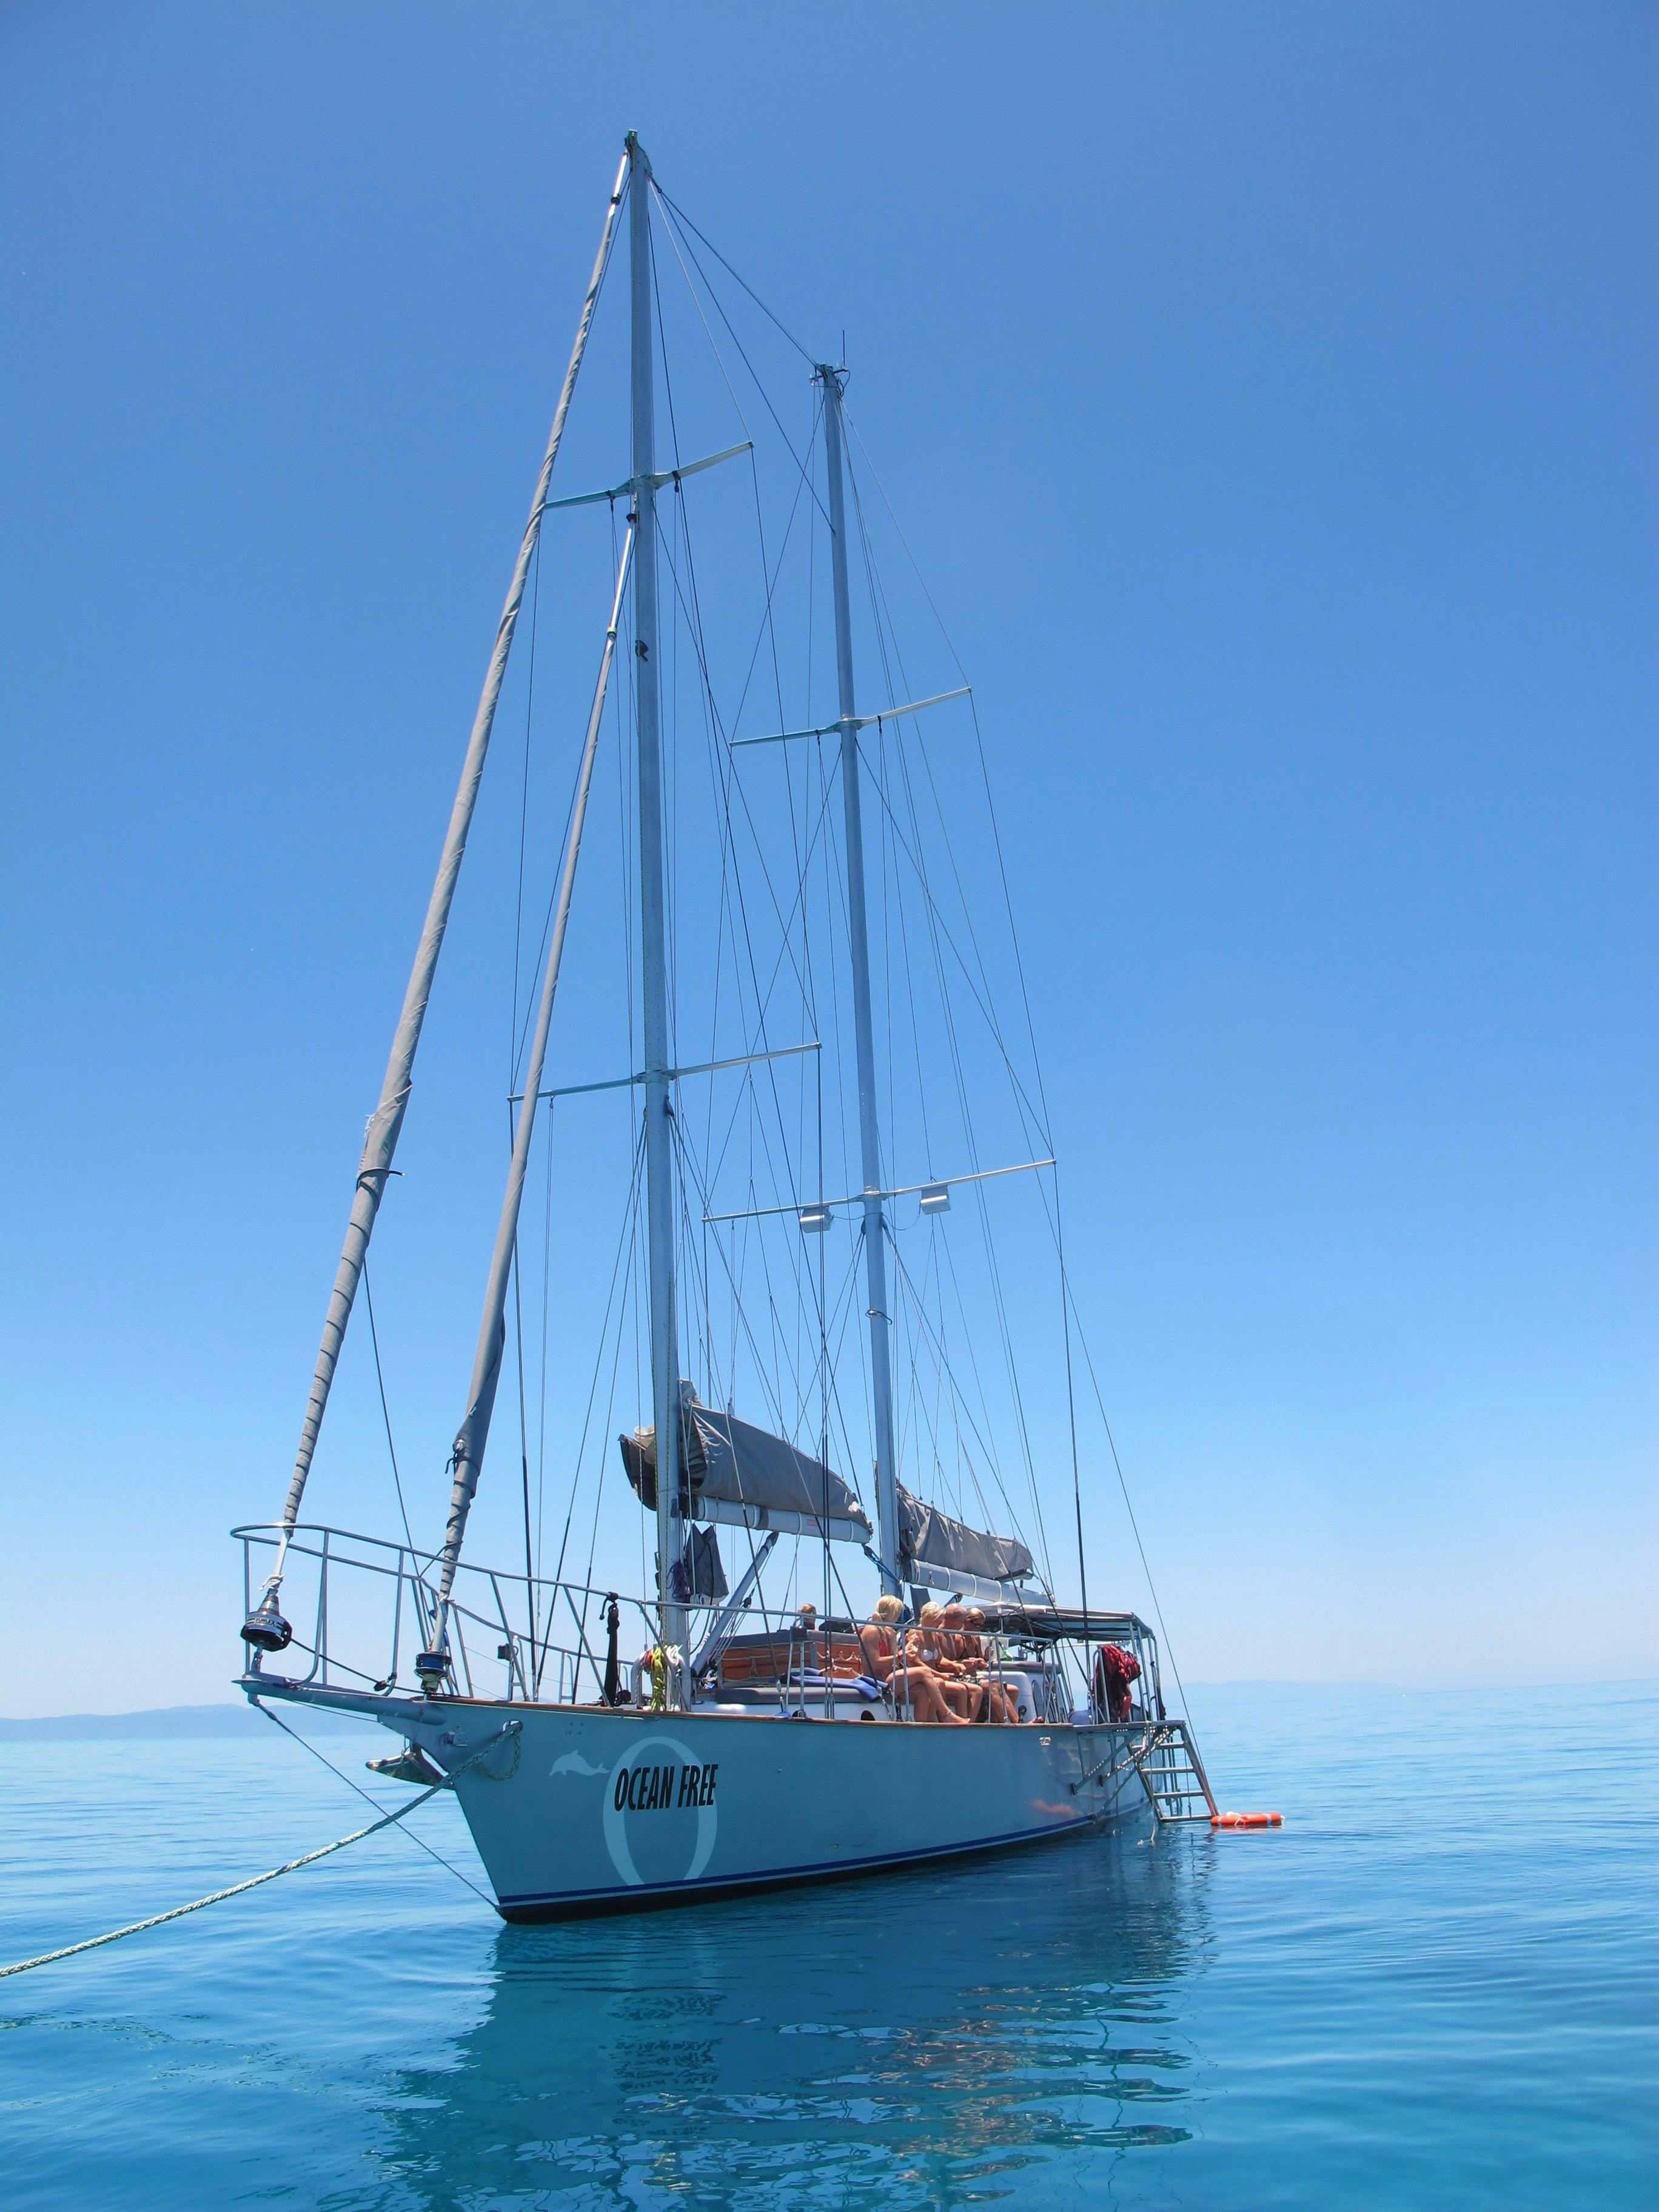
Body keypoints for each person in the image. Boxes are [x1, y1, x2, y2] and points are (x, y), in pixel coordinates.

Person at [859, 1595, 967, 1724]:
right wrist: (900, 1656)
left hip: (891, 1678)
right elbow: (875, 1663)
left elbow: (896, 1659)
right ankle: (946, 1714)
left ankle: (925, 1728)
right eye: (898, 1612)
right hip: (877, 1681)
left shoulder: (891, 1632)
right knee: (924, 1672)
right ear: (893, 1611)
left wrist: (906, 1650)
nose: (899, 1617)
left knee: (926, 1690)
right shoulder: (872, 1630)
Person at [907, 1603, 979, 1719]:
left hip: (935, 1676)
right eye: (937, 1621)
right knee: (960, 1690)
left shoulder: (933, 1634)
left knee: (972, 1690)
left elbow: (940, 1659)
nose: (939, 1624)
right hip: (924, 1679)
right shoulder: (915, 1633)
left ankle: (966, 1724)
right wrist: (941, 1675)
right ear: (928, 1617)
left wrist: (956, 1665)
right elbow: (916, 1661)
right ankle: (946, 1721)